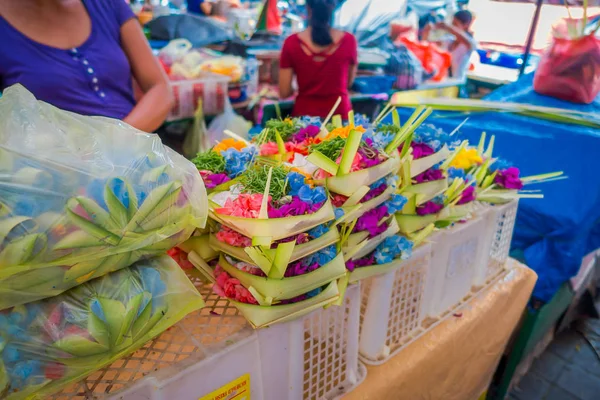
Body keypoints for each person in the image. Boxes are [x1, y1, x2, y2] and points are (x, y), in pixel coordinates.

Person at [0, 0, 173, 133]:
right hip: (56, 170)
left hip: (134, 153)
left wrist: (117, 140)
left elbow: (160, 87)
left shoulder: (107, 4)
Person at [279, 0, 358, 119]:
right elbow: (348, 83)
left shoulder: (291, 43)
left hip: (305, 121)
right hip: (340, 119)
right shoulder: (349, 40)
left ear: (308, 8)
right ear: (333, 8)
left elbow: (284, 92)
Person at [423, 9, 477, 78]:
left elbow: (467, 41)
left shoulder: (469, 44)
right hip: (446, 82)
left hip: (457, 83)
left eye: (455, 24)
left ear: (466, 25)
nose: (452, 27)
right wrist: (426, 32)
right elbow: (426, 45)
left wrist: (447, 27)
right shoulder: (449, 40)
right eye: (452, 24)